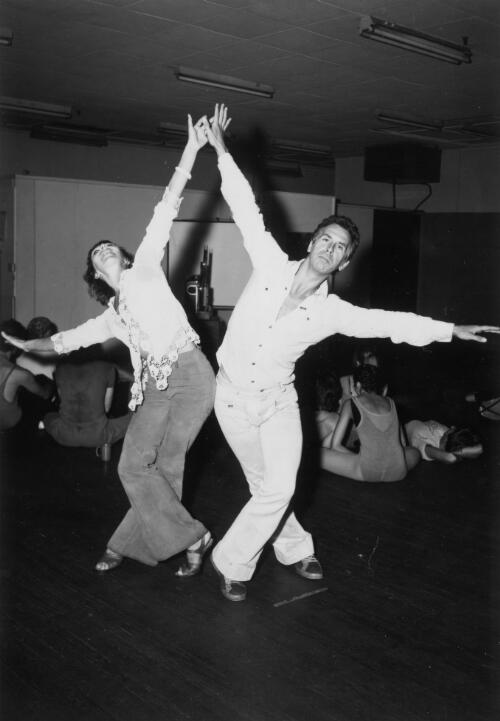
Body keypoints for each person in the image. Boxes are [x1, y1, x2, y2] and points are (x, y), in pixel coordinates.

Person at [200, 103, 500, 602]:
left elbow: (390, 323)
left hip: (276, 403)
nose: (330, 249)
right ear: (313, 240)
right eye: (326, 239)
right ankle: (295, 548)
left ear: (342, 262)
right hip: (230, 398)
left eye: (340, 247)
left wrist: (450, 329)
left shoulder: (331, 311)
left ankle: (231, 561)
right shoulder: (271, 264)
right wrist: (221, 150)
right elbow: (244, 205)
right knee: (266, 485)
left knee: (278, 485)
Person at [1, 113, 226, 575]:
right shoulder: (110, 317)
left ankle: (128, 547)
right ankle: (193, 536)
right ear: (97, 273)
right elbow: (64, 341)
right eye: (96, 253)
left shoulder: (144, 267)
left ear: (123, 256)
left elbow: (168, 203)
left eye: (109, 247)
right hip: (155, 388)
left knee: (170, 463)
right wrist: (25, 341)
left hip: (191, 374)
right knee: (131, 467)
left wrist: (190, 149)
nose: (104, 250)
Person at [320, 364, 420, 480]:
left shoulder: (350, 403)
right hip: (398, 471)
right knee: (415, 452)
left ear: (357, 385)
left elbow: (335, 445)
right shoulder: (391, 402)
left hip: (367, 471)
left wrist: (356, 458)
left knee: (318, 454)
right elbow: (403, 444)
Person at [43, 347, 131, 449]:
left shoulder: (60, 368)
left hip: (64, 435)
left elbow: (62, 400)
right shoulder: (107, 367)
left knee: (48, 417)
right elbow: (106, 408)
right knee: (132, 419)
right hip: (99, 435)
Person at [0, 319, 53, 432]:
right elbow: (44, 394)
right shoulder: (19, 373)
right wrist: (51, 386)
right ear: (16, 346)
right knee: (39, 383)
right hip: (9, 424)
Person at [404, 419, 483, 463]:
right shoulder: (444, 432)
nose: (445, 435)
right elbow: (449, 457)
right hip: (405, 431)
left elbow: (449, 457)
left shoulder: (429, 446)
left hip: (405, 434)